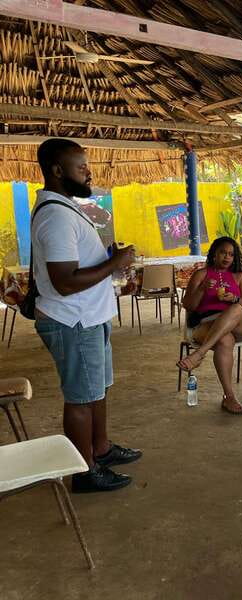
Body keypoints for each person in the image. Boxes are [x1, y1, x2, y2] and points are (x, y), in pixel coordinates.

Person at [32, 138, 141, 493]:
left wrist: (107, 260)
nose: (89, 172)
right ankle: (84, 471)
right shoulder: (55, 216)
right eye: (81, 167)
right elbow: (64, 281)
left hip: (88, 317)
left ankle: (101, 448)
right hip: (72, 320)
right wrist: (115, 262)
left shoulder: (66, 207)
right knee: (80, 397)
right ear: (58, 171)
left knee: (96, 389)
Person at [178, 237, 242, 415]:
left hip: (239, 324)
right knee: (225, 340)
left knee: (237, 308)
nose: (227, 257)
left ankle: (199, 354)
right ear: (214, 254)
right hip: (206, 323)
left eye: (231, 254)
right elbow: (188, 305)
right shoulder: (201, 275)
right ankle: (229, 397)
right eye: (223, 253)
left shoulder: (240, 277)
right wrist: (202, 289)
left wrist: (234, 299)